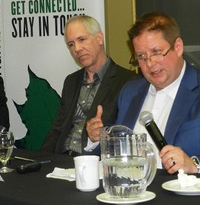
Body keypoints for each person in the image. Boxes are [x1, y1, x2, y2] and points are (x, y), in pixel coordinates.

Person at [87, 12, 200, 174]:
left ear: (178, 47)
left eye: (156, 52)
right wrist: (97, 137)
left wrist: (195, 166)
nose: (150, 63)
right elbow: (114, 142)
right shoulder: (130, 91)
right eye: (141, 56)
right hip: (130, 190)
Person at [41, 15, 138, 156]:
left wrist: (102, 134)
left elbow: (127, 137)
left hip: (95, 163)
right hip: (61, 161)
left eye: (81, 39)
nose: (77, 49)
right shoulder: (71, 81)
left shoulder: (128, 82)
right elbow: (57, 130)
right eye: (71, 44)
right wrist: (42, 161)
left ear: (99, 38)